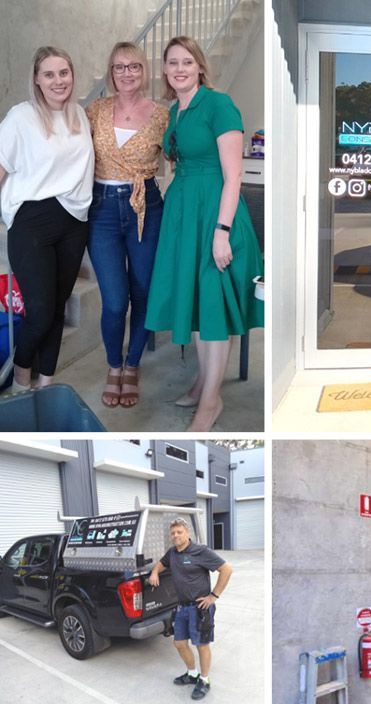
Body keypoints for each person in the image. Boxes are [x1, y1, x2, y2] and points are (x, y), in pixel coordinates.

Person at [145, 36, 263, 431]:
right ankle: (201, 383)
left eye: (187, 62)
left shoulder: (219, 104)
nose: (179, 68)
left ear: (199, 66)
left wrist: (221, 232)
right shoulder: (175, 111)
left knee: (211, 304)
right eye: (172, 63)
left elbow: (234, 176)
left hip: (215, 212)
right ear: (165, 70)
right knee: (195, 304)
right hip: (183, 213)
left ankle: (211, 401)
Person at [0, 46, 94, 393]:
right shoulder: (20, 118)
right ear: (37, 80)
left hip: (74, 220)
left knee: (57, 306)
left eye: (64, 73)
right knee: (39, 311)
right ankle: (22, 375)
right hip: (32, 220)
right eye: (50, 74)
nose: (58, 81)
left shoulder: (79, 115)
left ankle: (48, 381)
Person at [86, 42, 169, 408]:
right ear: (111, 72)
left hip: (146, 206)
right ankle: (113, 364)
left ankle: (132, 364)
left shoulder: (163, 116)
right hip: (102, 208)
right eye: (119, 67)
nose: (127, 73)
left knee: (143, 292)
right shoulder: (95, 111)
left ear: (144, 71)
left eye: (134, 66)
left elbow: (183, 159)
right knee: (116, 301)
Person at [149, 517, 233, 701]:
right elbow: (161, 564)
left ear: (187, 533)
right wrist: (155, 572)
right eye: (173, 533)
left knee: (201, 645)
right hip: (181, 608)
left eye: (179, 532)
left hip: (199, 608)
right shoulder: (172, 553)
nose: (176, 535)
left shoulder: (200, 551)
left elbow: (226, 569)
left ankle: (204, 680)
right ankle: (192, 674)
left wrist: (214, 596)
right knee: (179, 643)